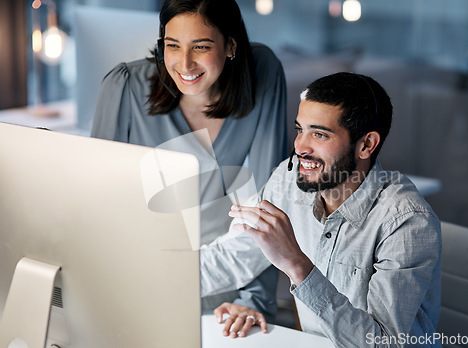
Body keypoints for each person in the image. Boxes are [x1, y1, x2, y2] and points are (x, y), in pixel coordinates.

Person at [201, 72, 442, 346]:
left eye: (319, 134)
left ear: (366, 144)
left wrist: (297, 265)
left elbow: (381, 342)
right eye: (300, 129)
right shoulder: (288, 181)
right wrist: (155, 279)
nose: (300, 147)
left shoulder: (407, 221)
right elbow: (231, 257)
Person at [91, 0, 288, 320]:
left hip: (222, 279)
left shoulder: (262, 72)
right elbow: (97, 204)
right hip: (138, 277)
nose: (185, 63)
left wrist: (253, 301)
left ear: (231, 46)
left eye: (201, 46)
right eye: (172, 46)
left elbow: (266, 202)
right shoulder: (124, 86)